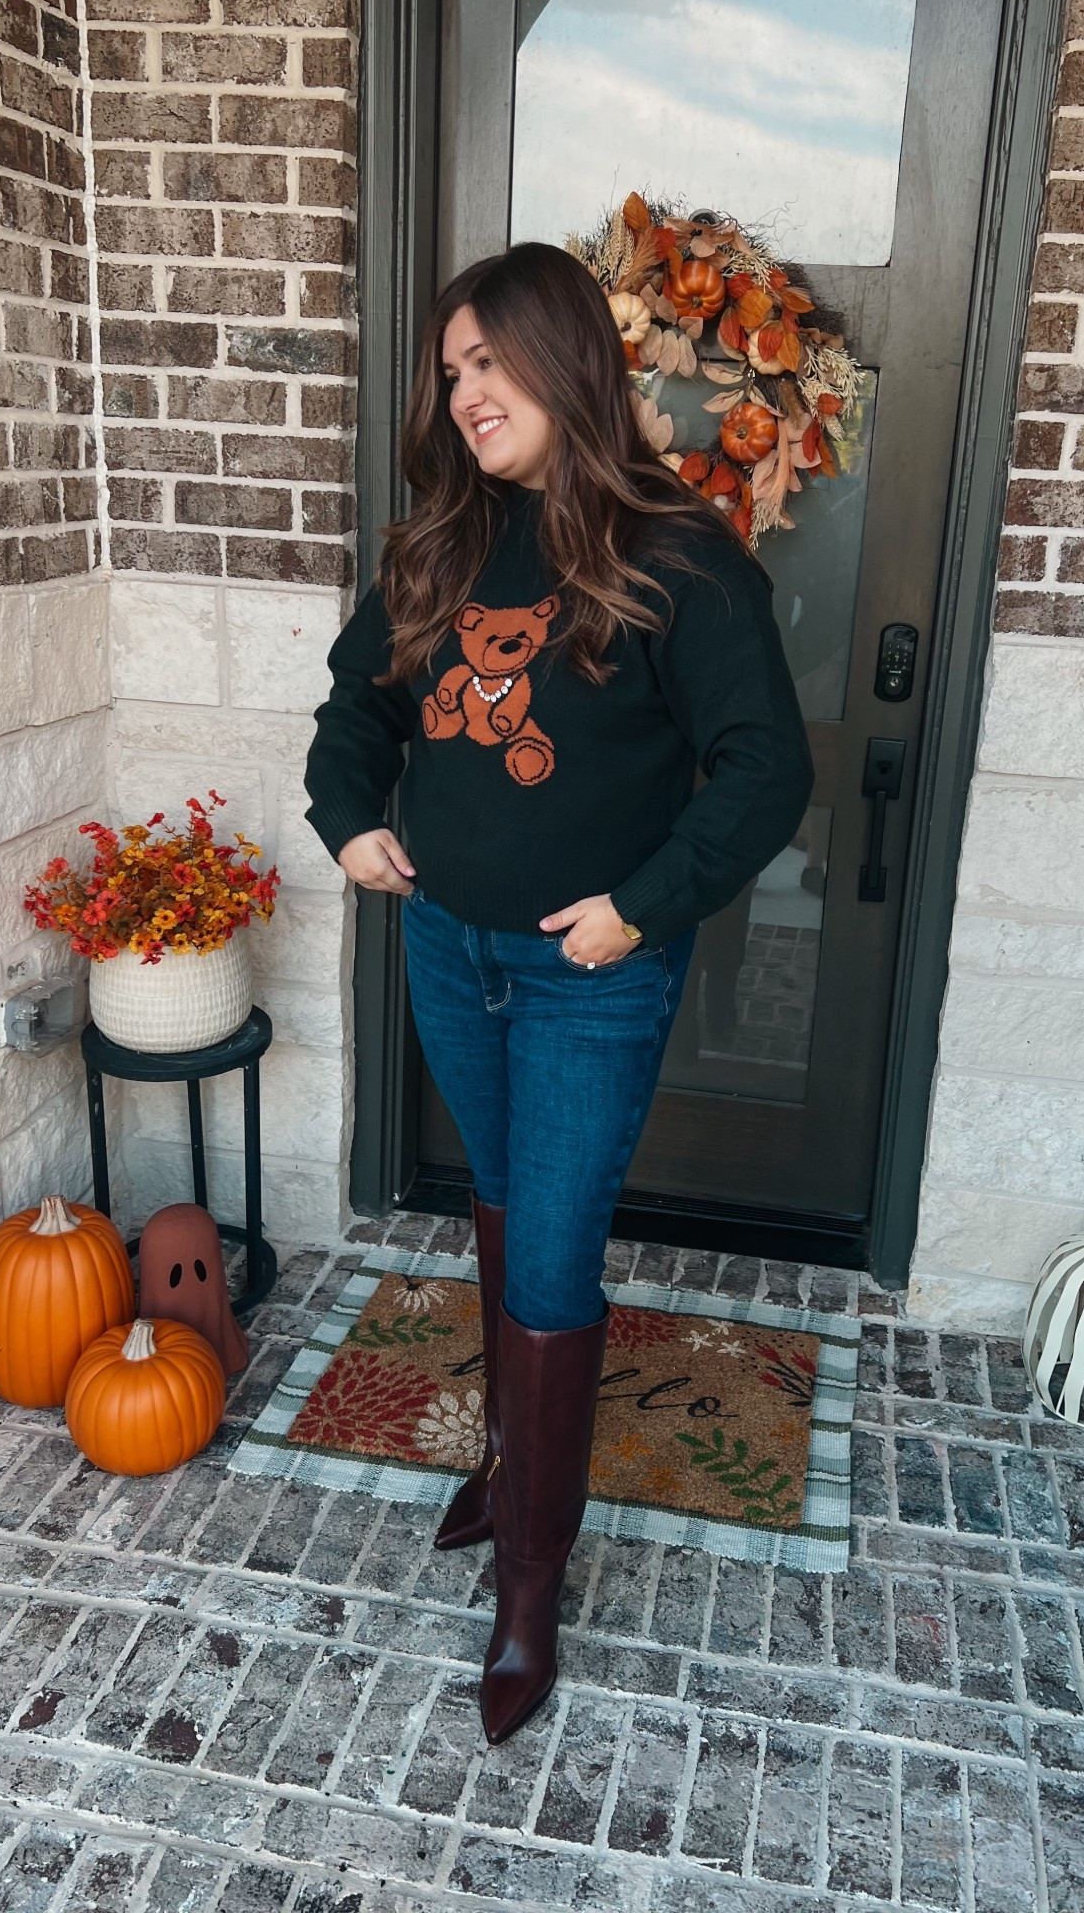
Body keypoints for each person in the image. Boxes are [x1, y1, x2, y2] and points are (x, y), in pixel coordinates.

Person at [303, 241, 813, 1743]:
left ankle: (531, 1578)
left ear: (565, 358)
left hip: (589, 976)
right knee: (503, 1207)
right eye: (451, 369)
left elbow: (764, 769)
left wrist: (638, 911)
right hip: (449, 951)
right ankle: (509, 1468)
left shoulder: (680, 557)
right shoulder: (439, 549)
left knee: (549, 1254)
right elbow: (357, 706)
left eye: (491, 362)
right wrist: (351, 819)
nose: (466, 392)